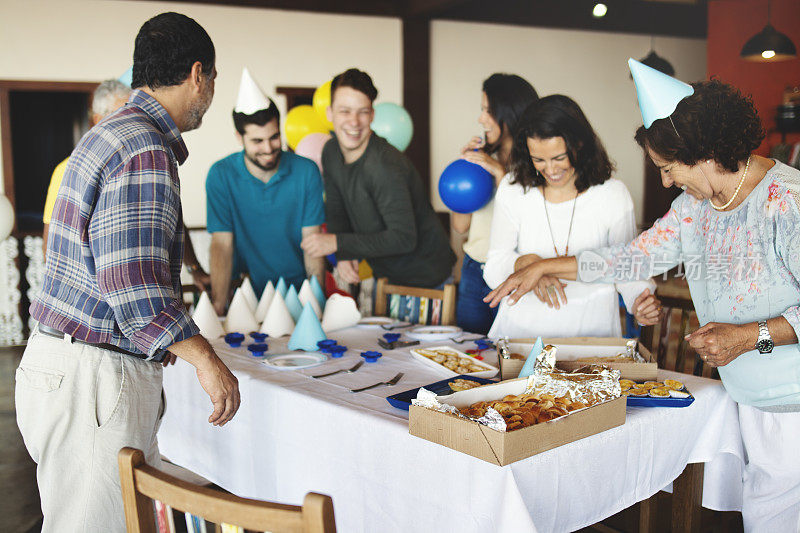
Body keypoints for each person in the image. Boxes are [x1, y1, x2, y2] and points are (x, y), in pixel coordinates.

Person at [486, 74, 800, 530]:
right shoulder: (696, 207)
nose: (665, 180)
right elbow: (630, 257)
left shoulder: (786, 200)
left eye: (669, 166)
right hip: (744, 394)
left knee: (772, 517)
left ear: (705, 150)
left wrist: (750, 336)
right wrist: (545, 267)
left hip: (791, 402)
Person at [16, 13, 240, 532]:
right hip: (90, 377)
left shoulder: (113, 132)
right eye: (213, 79)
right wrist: (206, 359)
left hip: (70, 367)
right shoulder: (144, 147)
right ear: (198, 74)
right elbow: (133, 286)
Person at [483, 94, 659, 338]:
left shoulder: (611, 194)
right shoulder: (514, 189)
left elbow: (627, 267)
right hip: (518, 336)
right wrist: (527, 265)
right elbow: (492, 269)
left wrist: (640, 302)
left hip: (591, 339)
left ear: (579, 145)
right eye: (538, 160)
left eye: (559, 158)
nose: (551, 170)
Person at [301, 68, 455, 290]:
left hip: (428, 278)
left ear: (372, 115)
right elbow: (336, 210)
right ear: (329, 113)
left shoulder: (384, 165)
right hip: (385, 275)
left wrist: (335, 242)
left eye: (362, 112)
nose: (354, 122)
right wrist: (344, 253)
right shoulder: (331, 152)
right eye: (345, 111)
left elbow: (403, 238)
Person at [207, 68, 324, 314]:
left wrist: (317, 302)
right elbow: (222, 244)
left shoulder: (306, 172)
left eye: (274, 137)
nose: (269, 148)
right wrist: (218, 304)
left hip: (300, 294)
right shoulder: (221, 175)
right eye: (257, 141)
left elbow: (312, 243)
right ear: (239, 137)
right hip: (248, 294)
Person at [452, 73, 538, 334]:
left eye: (488, 110)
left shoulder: (538, 164)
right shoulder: (481, 160)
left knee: (508, 353)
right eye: (482, 110)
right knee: (470, 352)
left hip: (513, 273)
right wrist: (463, 175)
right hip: (473, 269)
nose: (481, 119)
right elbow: (459, 226)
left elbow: (529, 225)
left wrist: (500, 173)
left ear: (510, 113)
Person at [41, 79, 130, 255]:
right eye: (119, 116)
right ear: (98, 119)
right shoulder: (68, 169)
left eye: (131, 115)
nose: (128, 124)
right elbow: (50, 246)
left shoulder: (140, 161)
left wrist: (194, 268)